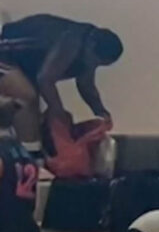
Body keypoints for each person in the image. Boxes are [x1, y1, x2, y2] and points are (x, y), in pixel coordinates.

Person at [0, 15, 120, 146]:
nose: (93, 66)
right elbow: (45, 79)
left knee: (34, 112)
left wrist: (101, 112)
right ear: (91, 46)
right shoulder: (72, 40)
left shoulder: (88, 49)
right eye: (95, 61)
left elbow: (86, 85)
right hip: (5, 53)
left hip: (22, 63)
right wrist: (58, 112)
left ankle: (30, 151)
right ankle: (31, 153)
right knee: (27, 96)